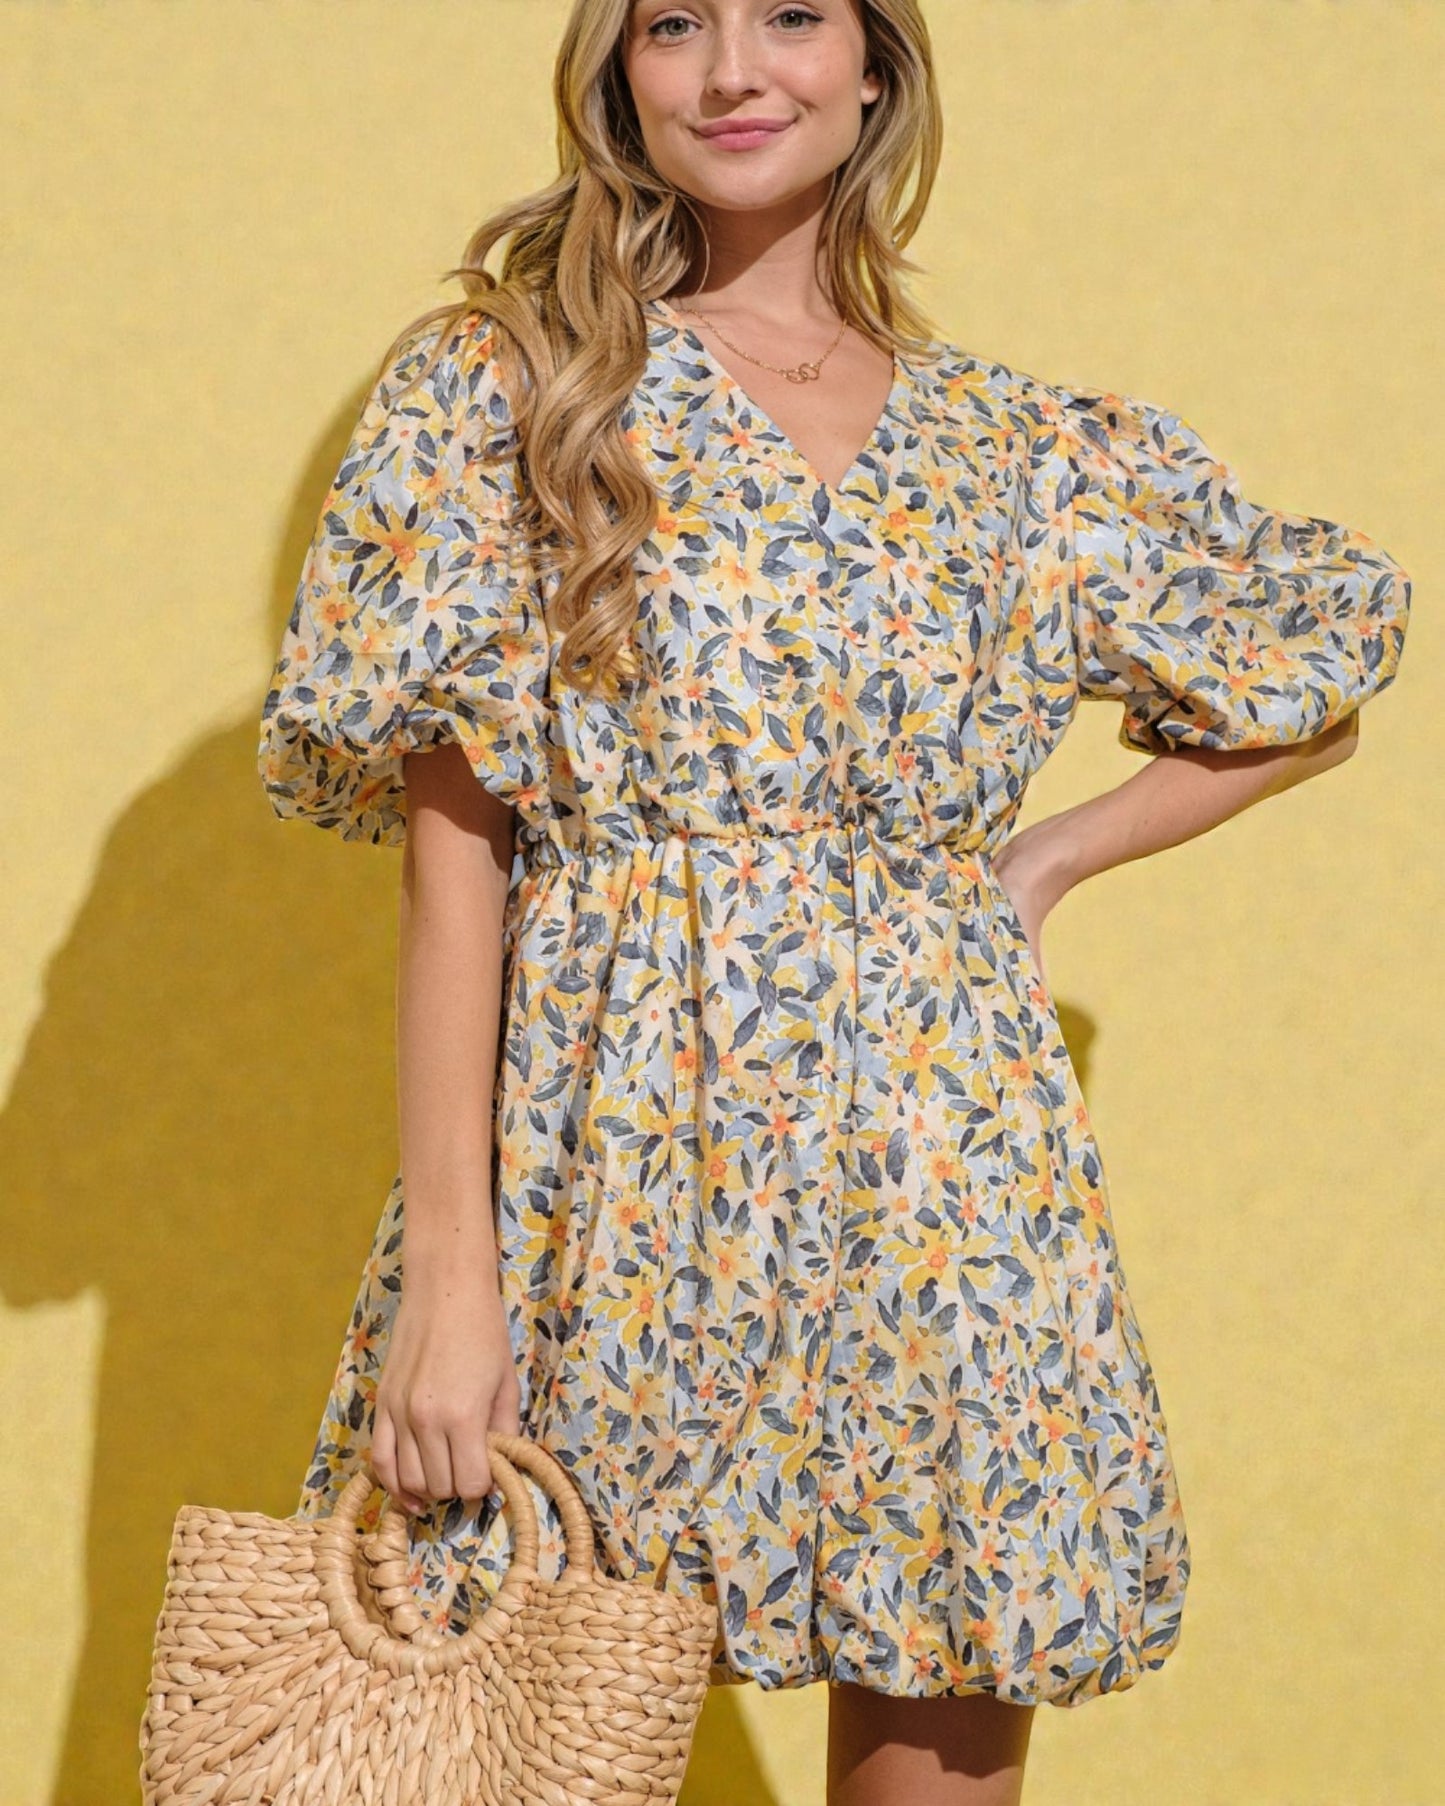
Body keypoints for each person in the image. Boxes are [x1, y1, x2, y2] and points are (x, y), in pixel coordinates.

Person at [255, 3, 1411, 1802]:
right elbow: (453, 860)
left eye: (791, 14)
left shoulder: (1023, 450)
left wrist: (1039, 860)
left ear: (875, 66)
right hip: (610, 1159)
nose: (731, 69)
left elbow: (1311, 663)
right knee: (511, 1732)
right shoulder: (509, 383)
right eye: (673, 24)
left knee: (938, 1731)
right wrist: (452, 1284)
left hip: (944, 1181)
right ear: (617, 73)